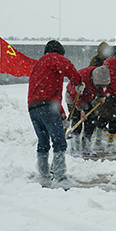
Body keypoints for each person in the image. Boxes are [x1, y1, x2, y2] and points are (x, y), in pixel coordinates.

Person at [27, 40, 83, 189]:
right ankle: (60, 178)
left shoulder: (39, 65)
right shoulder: (53, 57)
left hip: (33, 108)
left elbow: (49, 94)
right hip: (47, 106)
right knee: (59, 142)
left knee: (43, 142)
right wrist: (78, 82)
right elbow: (68, 66)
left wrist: (62, 116)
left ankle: (44, 176)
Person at [65, 65, 110, 157]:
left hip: (89, 98)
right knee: (77, 121)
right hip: (73, 98)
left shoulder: (101, 74)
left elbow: (102, 87)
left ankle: (86, 146)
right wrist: (80, 110)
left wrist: (101, 95)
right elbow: (74, 95)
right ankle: (75, 148)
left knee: (91, 122)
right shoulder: (81, 77)